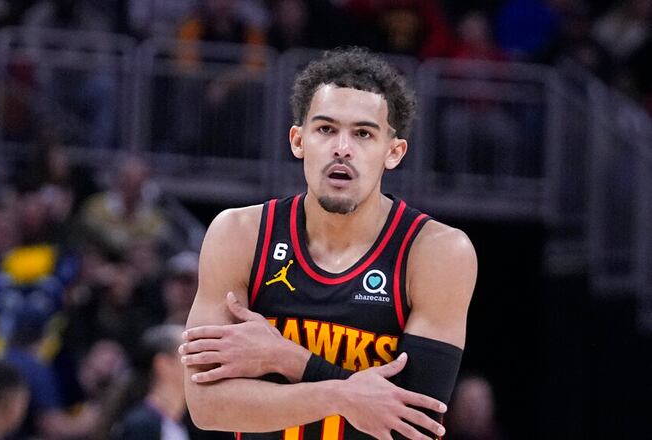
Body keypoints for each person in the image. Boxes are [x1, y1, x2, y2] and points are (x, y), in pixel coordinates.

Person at [180, 47, 477, 440]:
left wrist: (287, 358)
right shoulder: (239, 234)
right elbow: (207, 407)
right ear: (297, 141)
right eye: (325, 129)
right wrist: (343, 394)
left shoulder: (437, 252)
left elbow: (412, 425)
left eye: (363, 133)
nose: (342, 147)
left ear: (394, 152)